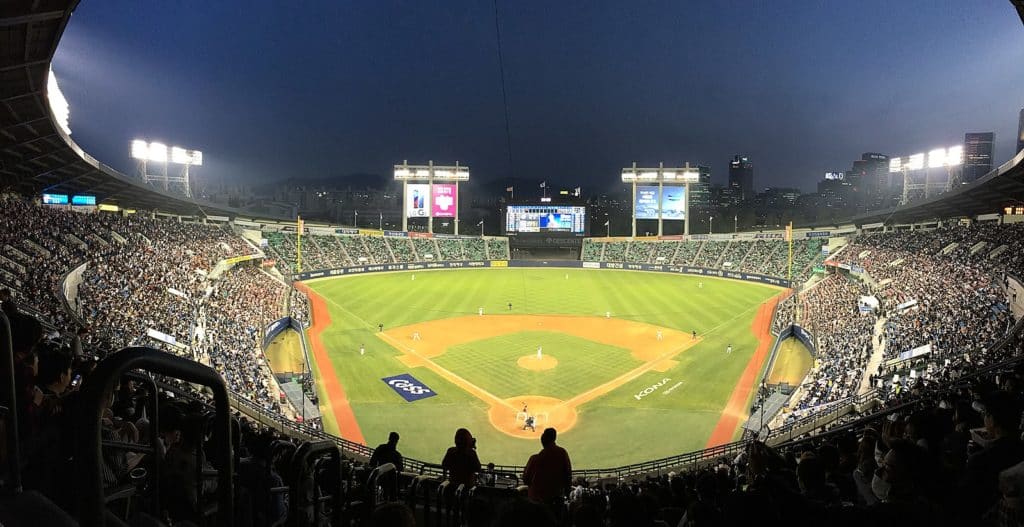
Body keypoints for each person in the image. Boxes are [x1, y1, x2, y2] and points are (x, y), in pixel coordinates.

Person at [523, 428, 572, 506]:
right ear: (554, 439)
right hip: (556, 500)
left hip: (537, 501)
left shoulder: (534, 459)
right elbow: (568, 477)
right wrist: (567, 495)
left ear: (542, 442)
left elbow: (525, 480)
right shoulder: (562, 453)